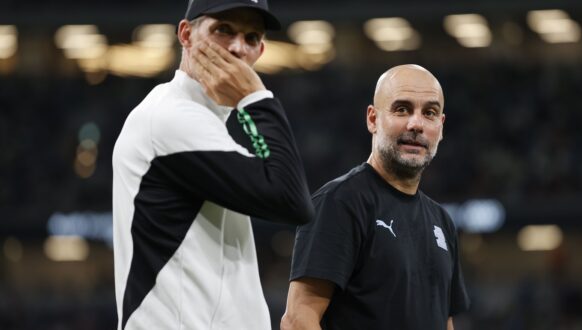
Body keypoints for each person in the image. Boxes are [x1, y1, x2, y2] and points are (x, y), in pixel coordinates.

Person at [112, 1, 314, 329]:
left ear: (260, 51)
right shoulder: (171, 118)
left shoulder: (198, 121)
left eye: (251, 37)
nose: (237, 47)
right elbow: (291, 200)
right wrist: (256, 98)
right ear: (186, 34)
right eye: (224, 30)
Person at [281, 65, 470, 330]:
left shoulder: (442, 221)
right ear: (372, 119)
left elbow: (445, 321)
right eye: (402, 109)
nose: (416, 124)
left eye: (429, 113)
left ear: (440, 126)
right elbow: (298, 319)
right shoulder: (339, 202)